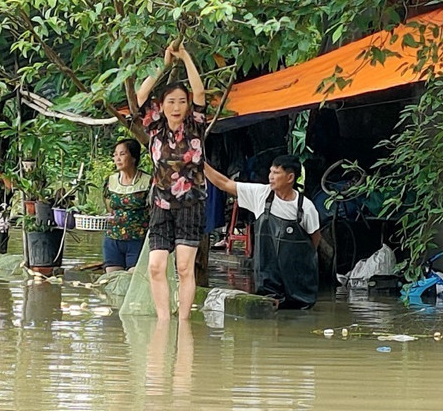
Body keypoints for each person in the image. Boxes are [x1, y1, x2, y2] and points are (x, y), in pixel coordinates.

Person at [135, 43, 206, 321]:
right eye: (171, 102)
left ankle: (184, 324)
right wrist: (164, 65)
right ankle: (164, 321)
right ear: (162, 106)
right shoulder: (154, 127)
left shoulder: (195, 125)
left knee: (185, 267)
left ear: (187, 106)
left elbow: (199, 92)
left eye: (181, 101)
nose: (176, 107)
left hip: (191, 202)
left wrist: (185, 57)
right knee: (156, 266)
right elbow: (140, 96)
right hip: (161, 203)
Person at [204, 154, 321, 309]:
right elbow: (224, 183)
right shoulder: (260, 194)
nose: (270, 177)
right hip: (268, 289)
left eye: (276, 173)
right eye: (270, 172)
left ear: (290, 177)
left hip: (299, 290)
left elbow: (314, 242)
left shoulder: (306, 208)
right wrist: (199, 161)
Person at [103, 139, 151, 273]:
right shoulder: (110, 181)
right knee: (113, 281)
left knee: (134, 281)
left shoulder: (147, 181)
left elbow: (153, 211)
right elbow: (109, 208)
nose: (117, 158)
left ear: (133, 157)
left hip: (137, 241)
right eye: (115, 154)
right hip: (112, 239)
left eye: (122, 154)